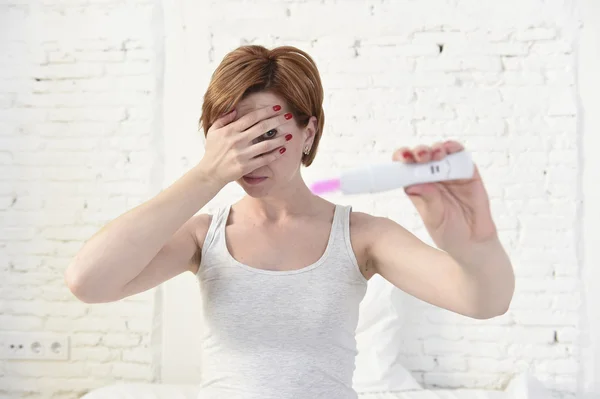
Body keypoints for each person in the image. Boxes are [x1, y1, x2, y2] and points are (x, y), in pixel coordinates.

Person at [65, 45, 515, 399]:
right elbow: (88, 281)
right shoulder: (203, 237)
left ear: (309, 133)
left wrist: (475, 244)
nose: (249, 155)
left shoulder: (362, 237)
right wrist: (206, 174)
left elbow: (484, 301)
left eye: (266, 135)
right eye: (234, 137)